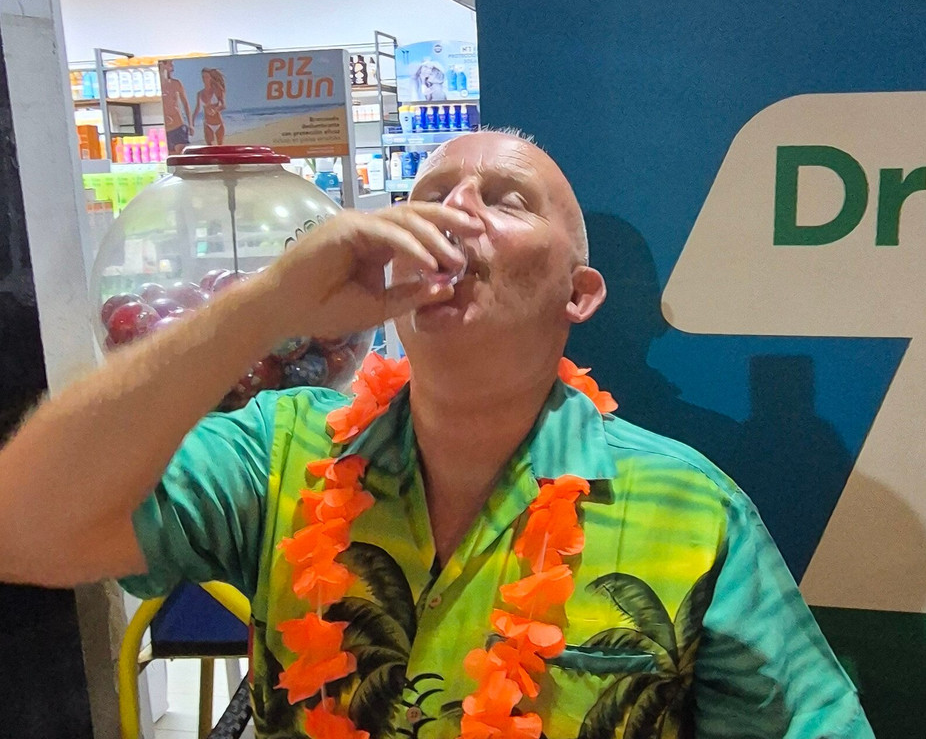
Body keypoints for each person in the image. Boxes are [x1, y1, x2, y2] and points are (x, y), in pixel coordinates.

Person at [0, 131, 873, 738]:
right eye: (429, 197)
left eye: (506, 201)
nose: (455, 211)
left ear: (578, 295)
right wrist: (266, 306)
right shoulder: (280, 450)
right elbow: (23, 529)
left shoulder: (693, 508)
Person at [160, 59, 193, 155]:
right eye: (170, 63)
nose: (172, 66)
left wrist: (190, 124)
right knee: (169, 156)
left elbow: (185, 104)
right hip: (164, 129)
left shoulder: (176, 83)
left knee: (181, 154)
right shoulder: (155, 86)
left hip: (177, 125)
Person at [193, 67, 227, 146]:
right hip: (207, 124)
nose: (204, 79)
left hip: (219, 123)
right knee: (209, 146)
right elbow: (197, 109)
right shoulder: (199, 94)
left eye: (207, 77)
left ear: (211, 78)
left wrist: (215, 110)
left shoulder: (217, 90)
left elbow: (223, 105)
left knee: (220, 147)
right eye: (203, 77)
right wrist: (192, 122)